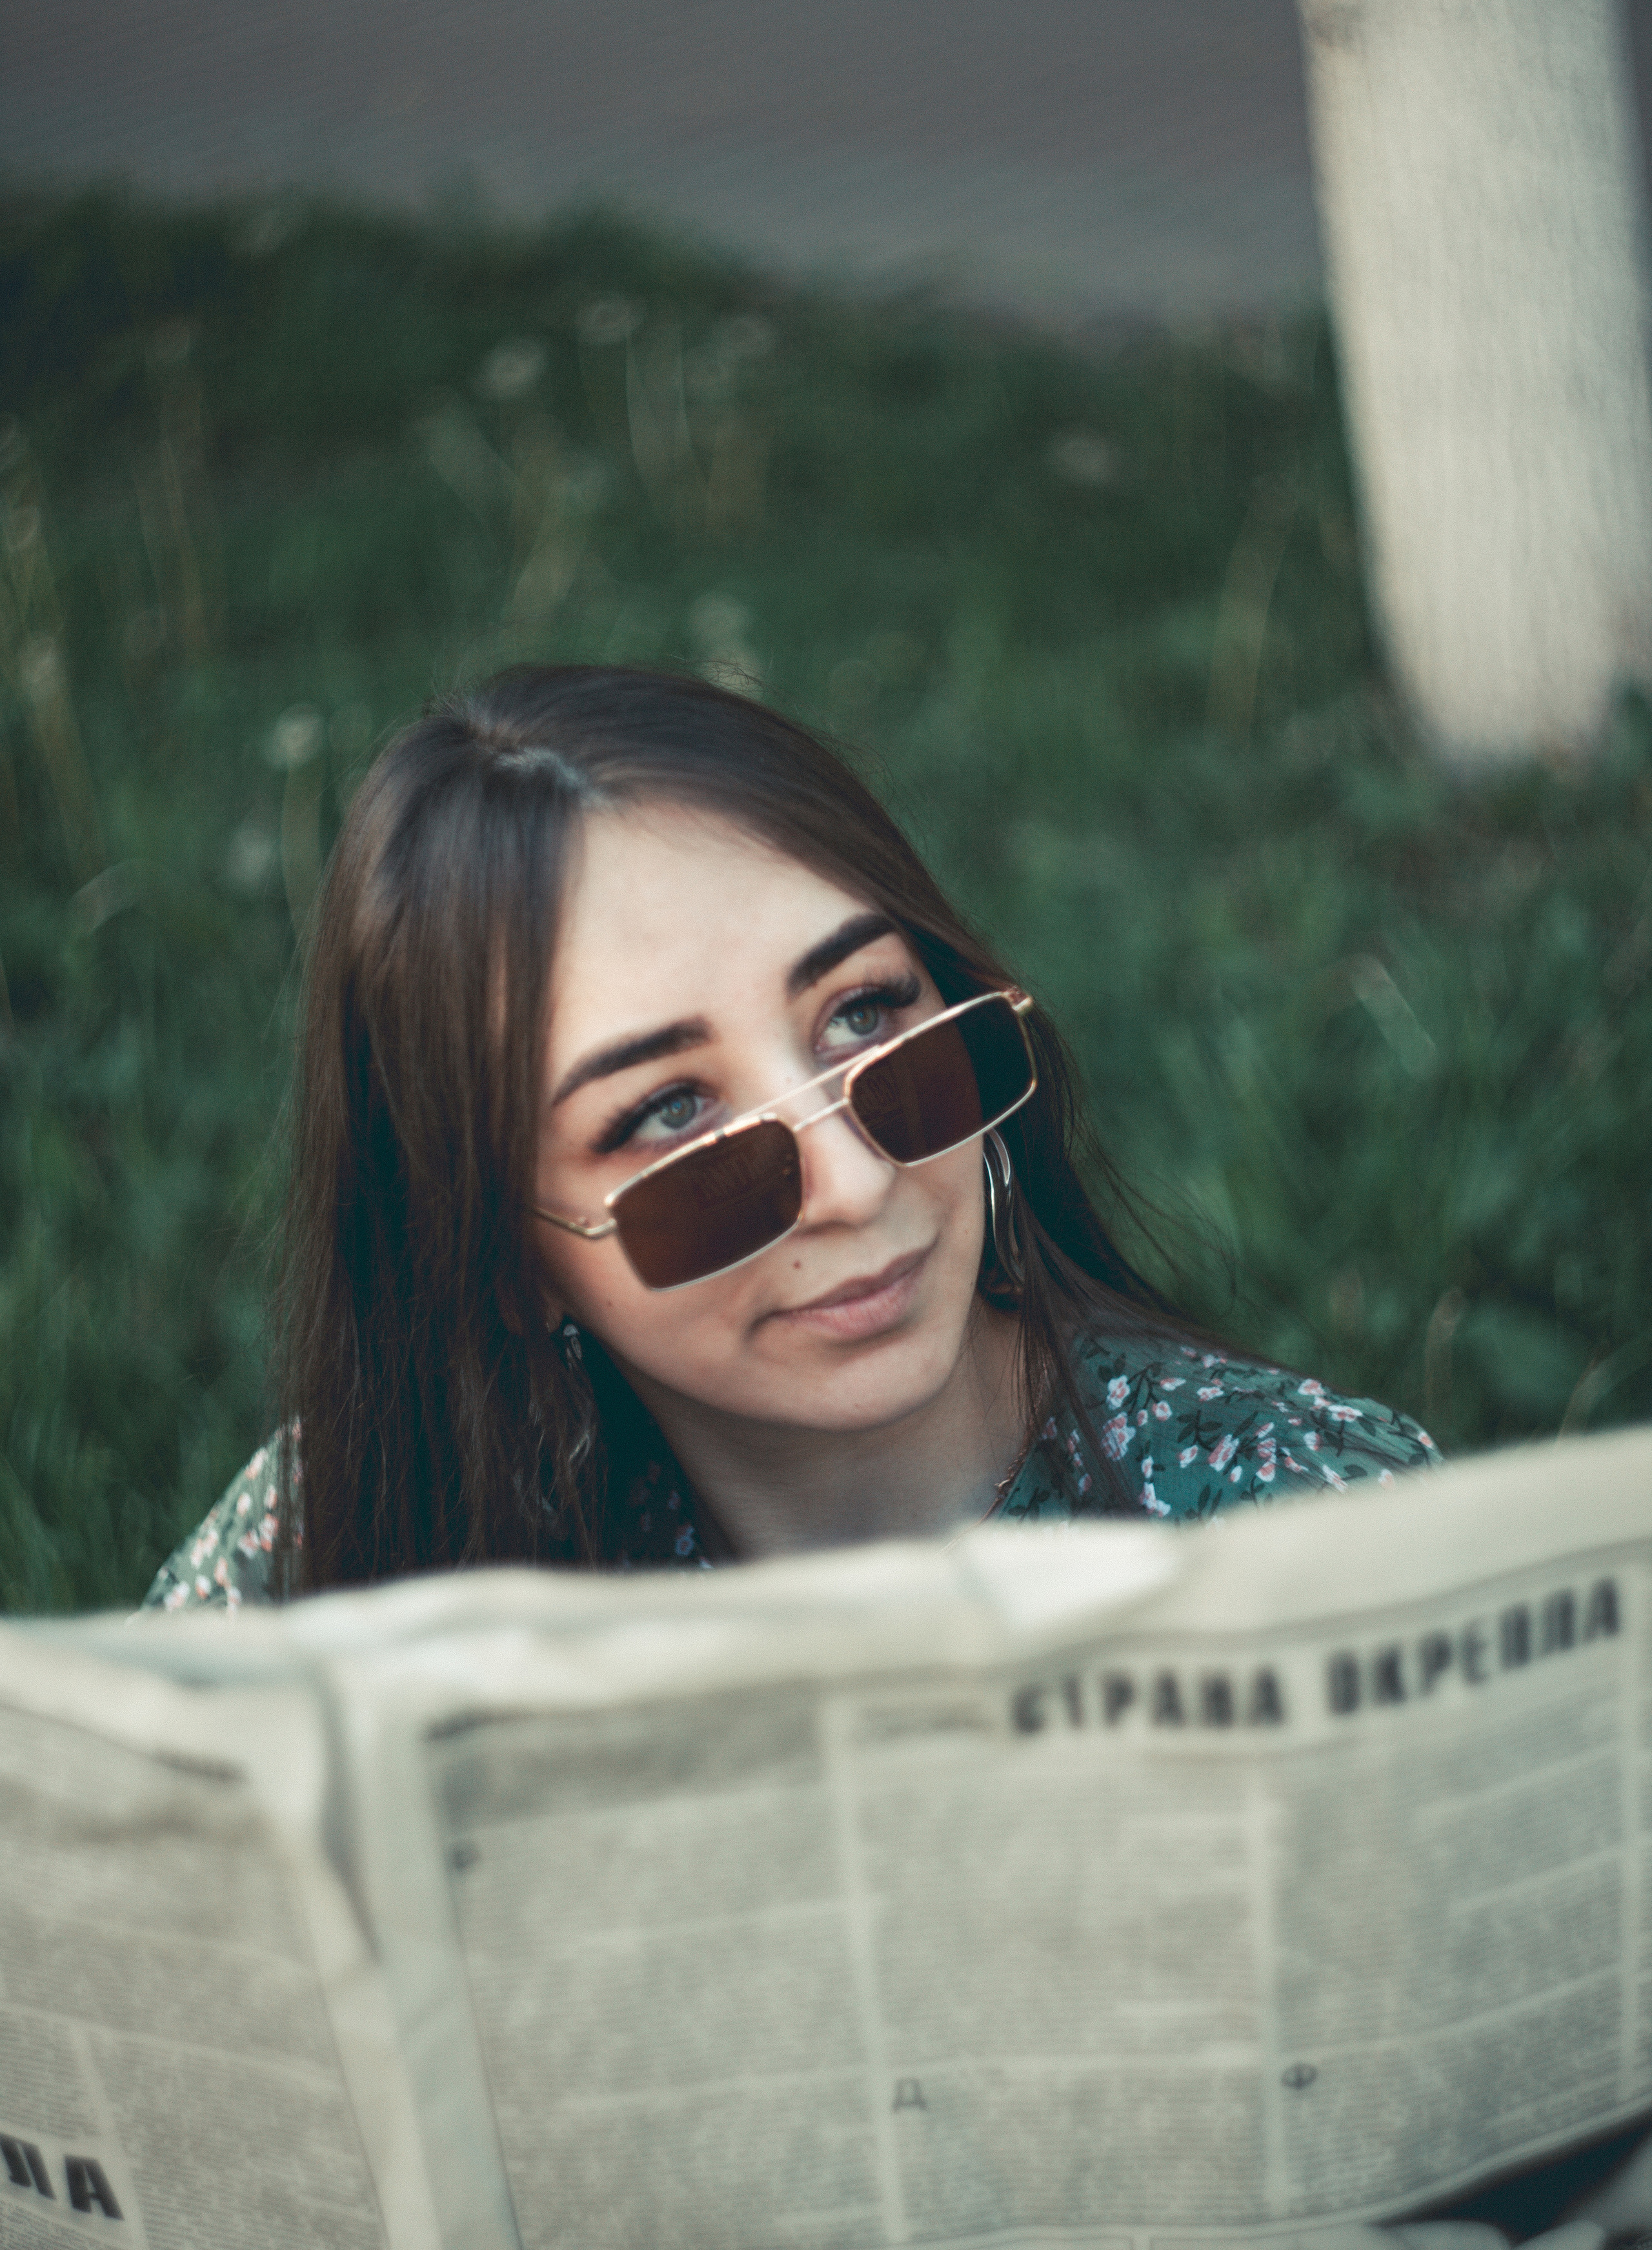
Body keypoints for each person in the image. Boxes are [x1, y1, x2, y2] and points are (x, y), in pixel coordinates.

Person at [146, 661, 1439, 1615]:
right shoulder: (350, 1536)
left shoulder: (1300, 1521)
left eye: (865, 1014)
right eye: (668, 1113)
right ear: (505, 1259)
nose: (854, 1178)